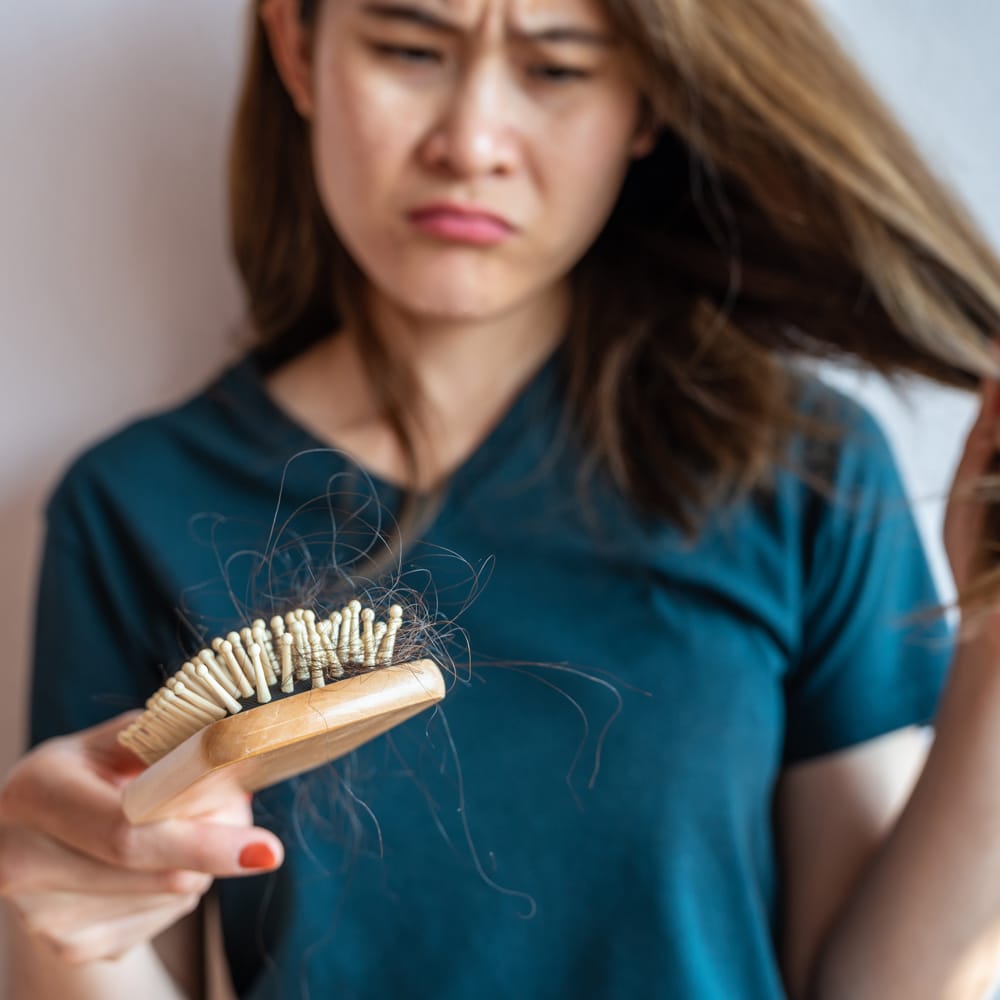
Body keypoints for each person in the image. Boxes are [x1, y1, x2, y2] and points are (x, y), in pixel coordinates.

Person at [4, 0, 1000, 996]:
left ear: (644, 104)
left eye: (558, 69)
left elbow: (882, 981)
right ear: (297, 49)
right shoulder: (131, 505)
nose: (470, 143)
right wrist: (66, 917)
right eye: (409, 49)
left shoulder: (801, 468)